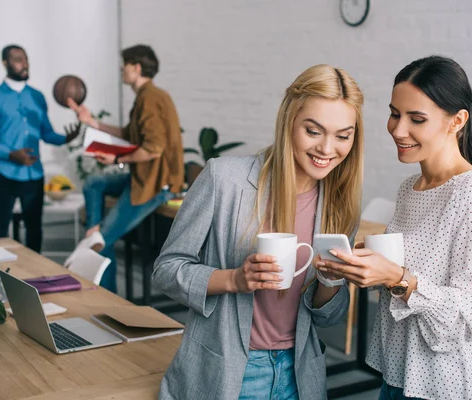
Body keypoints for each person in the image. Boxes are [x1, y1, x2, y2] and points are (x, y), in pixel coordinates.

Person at [152, 64, 364, 399]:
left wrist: (331, 281)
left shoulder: (339, 204)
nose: (327, 149)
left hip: (299, 373)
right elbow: (166, 270)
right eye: (313, 131)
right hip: (232, 372)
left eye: (342, 136)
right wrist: (234, 279)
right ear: (288, 121)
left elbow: (329, 317)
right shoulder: (224, 179)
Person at [319, 56, 472, 400]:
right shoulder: (410, 188)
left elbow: (471, 313)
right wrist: (367, 267)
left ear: (458, 121)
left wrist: (396, 276)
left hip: (445, 385)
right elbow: (410, 283)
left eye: (416, 119)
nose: (398, 129)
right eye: (395, 113)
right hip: (401, 376)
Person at [67, 44, 183, 292]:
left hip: (154, 184)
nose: (121, 68)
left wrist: (118, 160)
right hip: (142, 177)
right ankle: (93, 230)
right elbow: (129, 135)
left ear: (137, 67)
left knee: (103, 243)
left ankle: (106, 302)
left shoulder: (151, 99)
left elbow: (154, 149)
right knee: (94, 183)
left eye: (125, 64)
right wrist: (91, 122)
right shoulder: (147, 96)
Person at [0, 44, 79, 253]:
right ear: (5, 63)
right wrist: (10, 154)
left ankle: (35, 277)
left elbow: (46, 133)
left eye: (25, 59)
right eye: (17, 59)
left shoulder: (37, 97)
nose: (24, 64)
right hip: (4, 175)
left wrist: (66, 138)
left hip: (34, 174)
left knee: (34, 230)